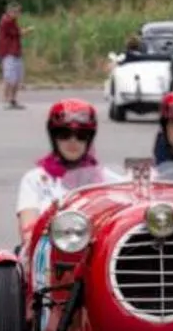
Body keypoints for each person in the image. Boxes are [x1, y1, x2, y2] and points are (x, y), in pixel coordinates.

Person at [15, 99, 116, 233]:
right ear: (53, 137)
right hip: (47, 250)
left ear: (90, 139)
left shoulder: (106, 179)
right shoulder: (35, 179)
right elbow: (28, 230)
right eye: (64, 134)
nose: (72, 141)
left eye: (81, 135)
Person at [0, 1, 25, 110]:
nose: (18, 14)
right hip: (8, 53)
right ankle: (6, 99)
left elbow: (17, 33)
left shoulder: (13, 21)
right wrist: (27, 31)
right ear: (10, 12)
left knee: (17, 78)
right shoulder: (6, 21)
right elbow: (18, 33)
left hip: (15, 52)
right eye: (16, 12)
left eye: (19, 12)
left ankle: (13, 100)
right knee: (10, 78)